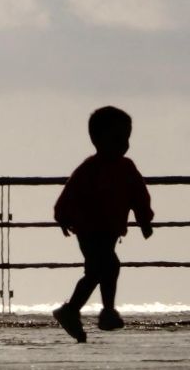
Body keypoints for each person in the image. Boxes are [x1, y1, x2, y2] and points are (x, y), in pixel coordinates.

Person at [51, 105, 154, 342]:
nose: (123, 143)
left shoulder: (126, 168)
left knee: (99, 271)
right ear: (97, 139)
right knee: (107, 266)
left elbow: (139, 195)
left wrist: (144, 218)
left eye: (126, 138)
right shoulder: (90, 168)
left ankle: (78, 311)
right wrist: (63, 216)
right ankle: (101, 312)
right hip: (88, 229)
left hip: (109, 230)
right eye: (117, 138)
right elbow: (70, 193)